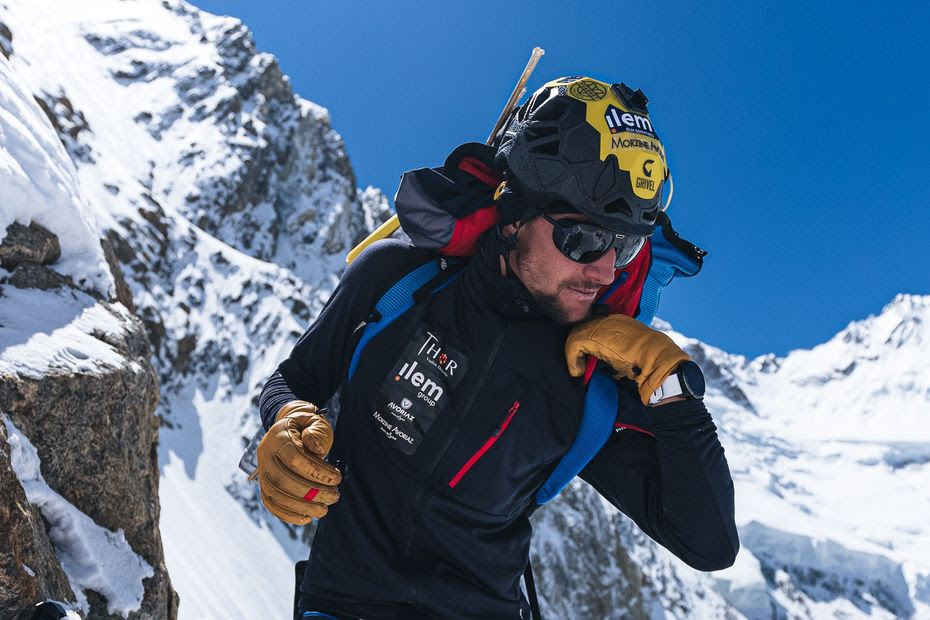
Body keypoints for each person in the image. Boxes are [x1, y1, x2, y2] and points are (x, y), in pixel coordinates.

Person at [256, 76, 738, 619]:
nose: (603, 271)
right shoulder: (397, 285)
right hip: (341, 604)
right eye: (583, 239)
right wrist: (287, 416)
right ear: (514, 217)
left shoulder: (589, 381)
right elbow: (294, 380)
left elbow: (707, 544)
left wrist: (673, 393)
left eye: (624, 247)